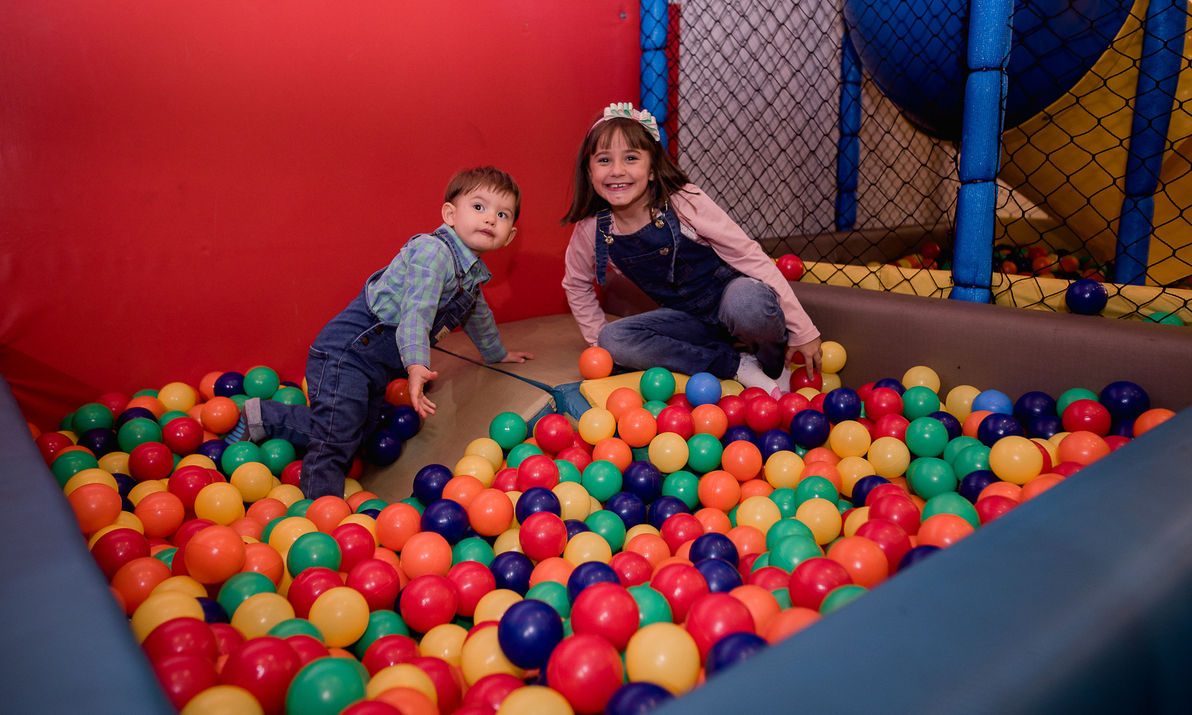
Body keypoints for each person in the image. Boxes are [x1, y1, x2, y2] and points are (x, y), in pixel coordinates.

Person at [228, 166, 533, 500]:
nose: (490, 219)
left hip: (373, 369)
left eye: (502, 214)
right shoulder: (433, 253)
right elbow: (417, 312)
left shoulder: (471, 275)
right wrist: (416, 364)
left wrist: (497, 354)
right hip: (346, 354)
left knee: (357, 434)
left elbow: (478, 316)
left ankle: (262, 416)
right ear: (450, 214)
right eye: (479, 207)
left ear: (510, 234)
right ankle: (317, 515)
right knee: (336, 442)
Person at [561, 103, 820, 396]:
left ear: (651, 170)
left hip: (733, 299)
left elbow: (750, 256)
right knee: (612, 339)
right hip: (688, 322)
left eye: (631, 158)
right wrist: (598, 341)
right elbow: (576, 284)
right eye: (604, 160)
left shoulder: (684, 202)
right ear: (589, 170)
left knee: (747, 303)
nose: (617, 171)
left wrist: (804, 329)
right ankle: (735, 365)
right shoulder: (593, 229)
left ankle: (773, 366)